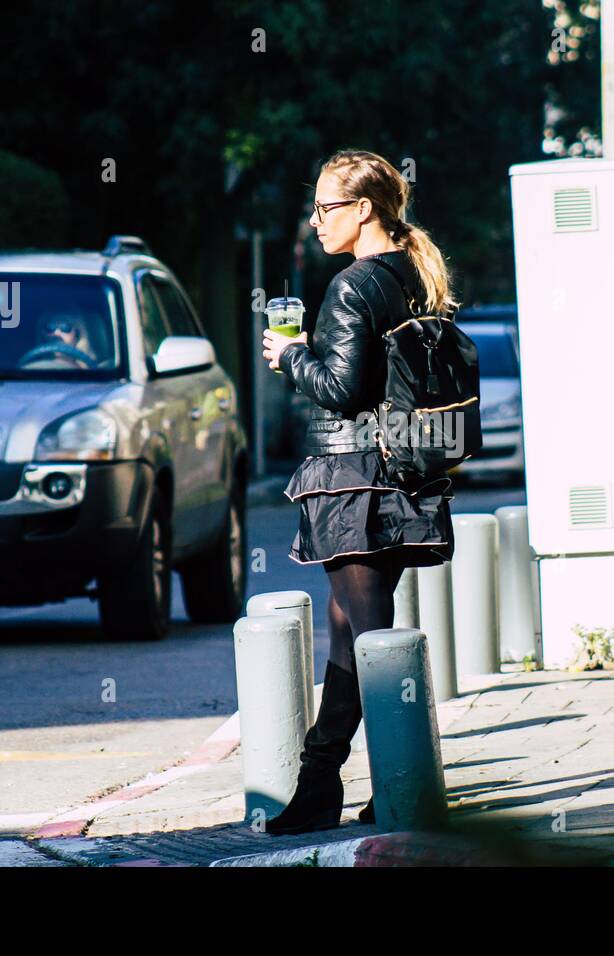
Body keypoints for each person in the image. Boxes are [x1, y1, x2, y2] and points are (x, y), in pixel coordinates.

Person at [260, 149, 457, 835]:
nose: (315, 221)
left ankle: (405, 788)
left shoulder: (352, 285)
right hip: (401, 476)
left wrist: (289, 356)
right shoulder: (411, 274)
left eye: (326, 207)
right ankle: (322, 785)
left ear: (363, 209)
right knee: (353, 642)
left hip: (354, 481)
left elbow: (342, 392)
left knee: (373, 645)